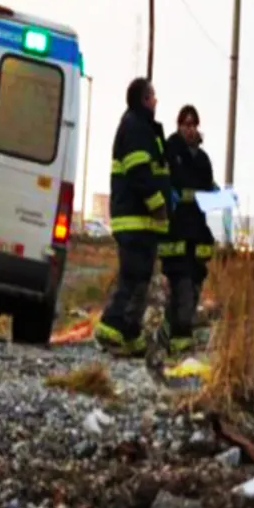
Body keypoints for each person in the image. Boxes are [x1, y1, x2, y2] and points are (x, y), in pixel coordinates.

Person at [94, 77, 173, 366]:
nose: (156, 101)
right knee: (134, 276)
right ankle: (113, 325)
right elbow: (140, 172)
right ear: (144, 99)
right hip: (136, 219)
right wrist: (158, 206)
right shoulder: (136, 128)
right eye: (153, 96)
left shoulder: (141, 128)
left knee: (140, 277)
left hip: (142, 222)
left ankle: (130, 333)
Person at [159, 104, 218, 353]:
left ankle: (172, 332)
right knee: (180, 282)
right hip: (176, 229)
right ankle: (179, 337)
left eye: (194, 124)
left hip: (196, 230)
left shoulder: (202, 159)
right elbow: (162, 180)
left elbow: (206, 192)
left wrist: (219, 196)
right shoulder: (171, 150)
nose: (190, 129)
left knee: (194, 281)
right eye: (186, 124)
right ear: (178, 125)